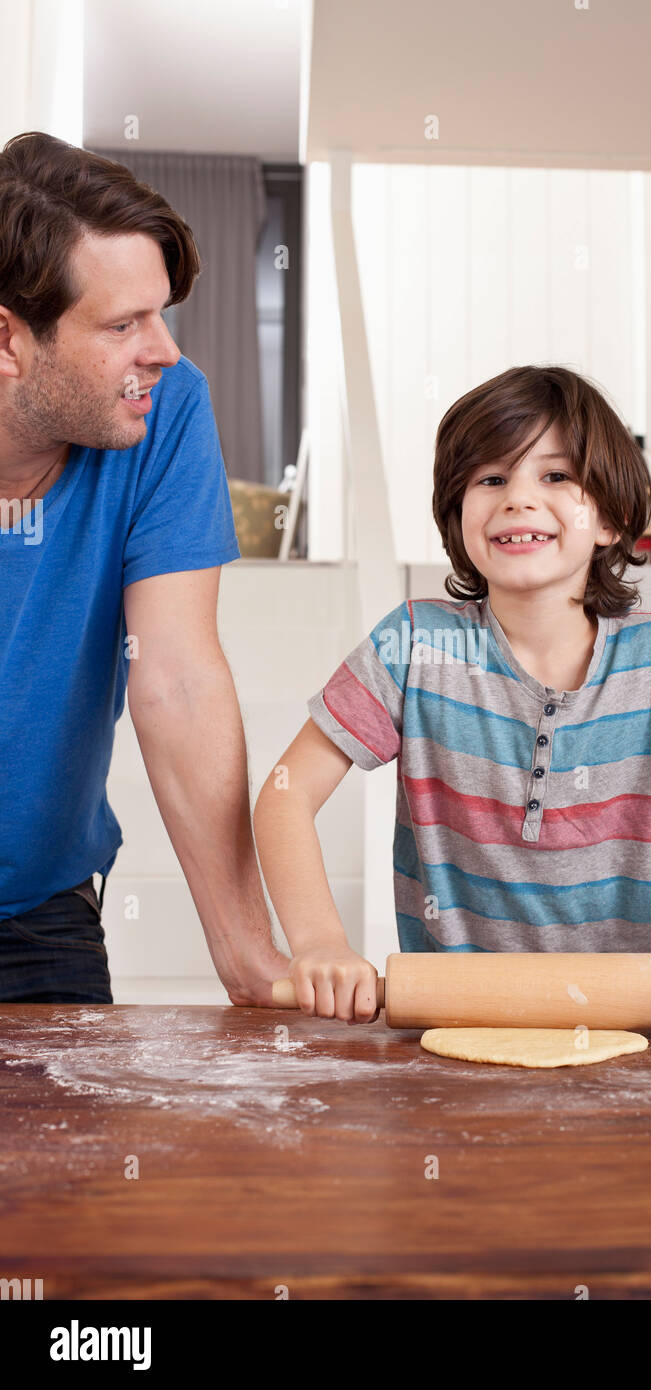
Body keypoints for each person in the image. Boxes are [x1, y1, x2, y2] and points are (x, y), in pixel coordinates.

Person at [254, 366, 651, 1030]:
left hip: (628, 1034)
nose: (517, 499)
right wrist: (319, 947)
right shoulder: (414, 646)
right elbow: (285, 796)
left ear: (610, 517)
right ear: (458, 512)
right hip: (451, 1034)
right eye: (491, 479)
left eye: (555, 476)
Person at [0, 132, 292, 1005]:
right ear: (8, 340)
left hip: (40, 911)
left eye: (159, 314)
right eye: (123, 325)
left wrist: (250, 957)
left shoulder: (164, 408)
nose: (161, 350)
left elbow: (174, 676)